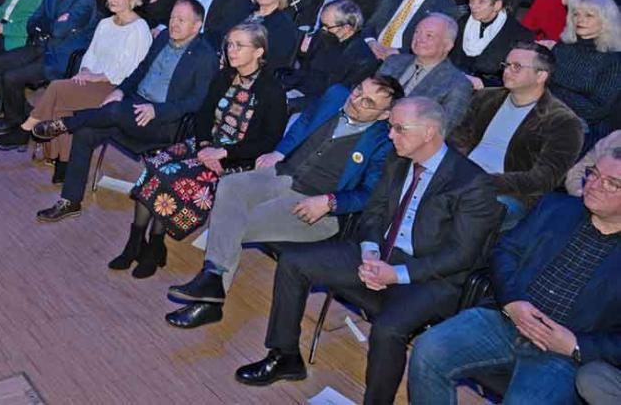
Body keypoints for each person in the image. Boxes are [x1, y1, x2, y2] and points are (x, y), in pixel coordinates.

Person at [234, 97, 501, 403]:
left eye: (399, 129)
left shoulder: (472, 182)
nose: (390, 135)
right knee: (294, 262)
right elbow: (374, 211)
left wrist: (396, 274)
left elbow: (461, 255)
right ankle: (285, 356)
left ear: (429, 132)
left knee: (388, 329)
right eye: (390, 127)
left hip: (431, 275)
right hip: (380, 255)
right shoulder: (398, 159)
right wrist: (370, 251)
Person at [165, 76, 401, 329]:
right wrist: (279, 151)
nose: (355, 101)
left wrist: (331, 202)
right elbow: (303, 124)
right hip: (283, 174)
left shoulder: (385, 144)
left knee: (234, 223)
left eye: (368, 102)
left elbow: (370, 193)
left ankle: (210, 297)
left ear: (383, 115)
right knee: (230, 185)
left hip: (315, 207)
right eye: (357, 90)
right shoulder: (335, 96)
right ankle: (212, 286)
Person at [69, 23, 286, 281]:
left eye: (240, 46)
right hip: (204, 146)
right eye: (229, 44)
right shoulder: (224, 77)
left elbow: (266, 142)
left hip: (237, 160)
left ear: (259, 51)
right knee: (155, 167)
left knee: (171, 180)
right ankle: (136, 241)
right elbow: (203, 116)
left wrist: (223, 154)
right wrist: (205, 145)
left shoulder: (272, 91)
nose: (231, 50)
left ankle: (154, 244)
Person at [407, 148, 621, 405]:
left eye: (611, 183)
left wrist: (576, 346)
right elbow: (504, 252)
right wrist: (513, 302)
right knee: (428, 350)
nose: (595, 185)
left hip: (561, 354)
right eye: (594, 174)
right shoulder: (556, 207)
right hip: (506, 319)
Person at [30, 0, 219, 197]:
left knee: (113, 109)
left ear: (197, 26)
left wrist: (157, 110)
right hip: (132, 107)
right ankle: (70, 201)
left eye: (181, 20)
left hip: (161, 121)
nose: (174, 24)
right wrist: (120, 90)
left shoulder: (205, 57)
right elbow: (141, 70)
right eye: (172, 18)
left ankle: (65, 123)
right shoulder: (163, 37)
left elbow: (196, 102)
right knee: (86, 132)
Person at [0, 0, 152, 151]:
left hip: (116, 88)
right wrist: (85, 70)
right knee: (60, 106)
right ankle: (61, 161)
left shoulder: (139, 29)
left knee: (57, 89)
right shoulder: (106, 23)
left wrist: (96, 77)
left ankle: (24, 131)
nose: (112, 0)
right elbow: (91, 53)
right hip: (92, 78)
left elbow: (130, 69)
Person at [448, 43, 586, 227]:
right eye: (506, 65)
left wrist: (486, 181)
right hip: (462, 174)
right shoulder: (485, 97)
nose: (507, 71)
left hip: (508, 193)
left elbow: (544, 178)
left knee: (464, 210)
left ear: (541, 75)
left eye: (517, 66)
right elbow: (456, 138)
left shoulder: (564, 122)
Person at [0, 0, 97, 129]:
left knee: (12, 77)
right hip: (40, 45)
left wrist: (48, 25)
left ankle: (15, 122)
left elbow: (58, 31)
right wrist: (54, 23)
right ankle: (19, 112)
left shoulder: (84, 1)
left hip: (60, 56)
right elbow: (33, 21)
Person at [377, 14, 475, 130]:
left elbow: (441, 130)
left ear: (448, 45)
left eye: (429, 35)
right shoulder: (393, 61)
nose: (419, 39)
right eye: (417, 32)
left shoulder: (457, 85)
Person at [549, 0, 621, 144]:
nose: (580, 20)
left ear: (606, 21)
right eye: (576, 14)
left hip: (586, 125)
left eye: (589, 15)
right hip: (547, 109)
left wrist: (551, 92)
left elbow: (595, 109)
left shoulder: (614, 59)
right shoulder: (563, 46)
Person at [285, 0, 379, 100]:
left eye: (327, 26)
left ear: (347, 28)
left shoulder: (363, 60)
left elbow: (337, 98)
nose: (322, 29)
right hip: (298, 89)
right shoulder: (323, 36)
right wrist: (302, 55)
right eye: (322, 25)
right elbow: (306, 70)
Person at [450, 0, 535, 88]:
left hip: (490, 90)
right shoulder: (462, 22)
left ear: (497, 5)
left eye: (481, 2)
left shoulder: (519, 34)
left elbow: (516, 76)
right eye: (472, 1)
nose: (474, 6)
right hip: (455, 79)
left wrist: (483, 83)